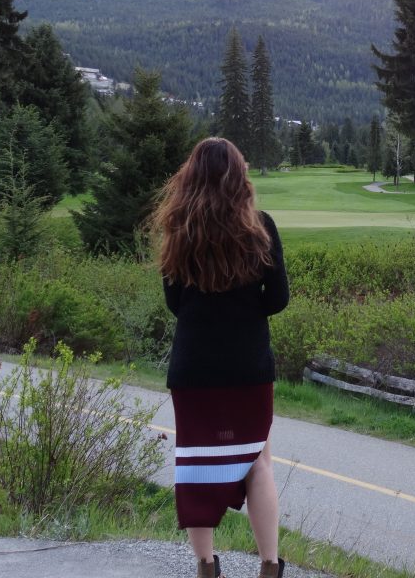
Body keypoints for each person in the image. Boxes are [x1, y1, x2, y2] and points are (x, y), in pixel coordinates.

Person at [152, 137, 289, 578]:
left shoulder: (178, 228)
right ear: (240, 177)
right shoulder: (261, 227)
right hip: (248, 368)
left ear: (190, 177)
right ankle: (269, 567)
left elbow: (175, 303)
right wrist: (245, 310)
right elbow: (278, 299)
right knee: (258, 463)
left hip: (194, 370)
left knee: (195, 466)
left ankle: (207, 568)